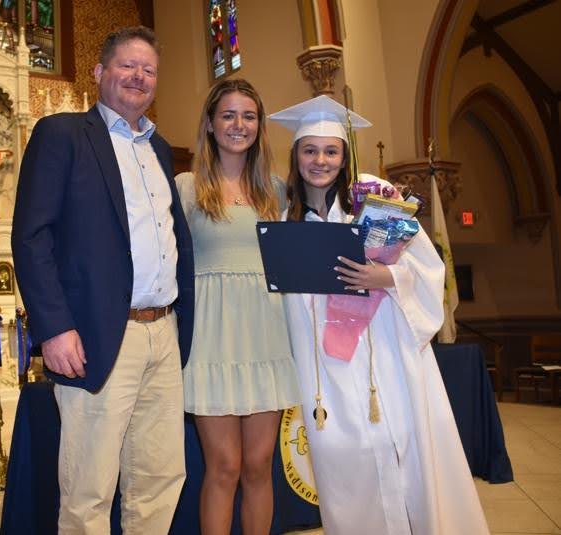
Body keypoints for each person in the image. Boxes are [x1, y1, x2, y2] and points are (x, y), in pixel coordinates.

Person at [268, 95, 488, 534]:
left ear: (344, 156)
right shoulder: (282, 215)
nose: (320, 161)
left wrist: (385, 276)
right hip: (323, 369)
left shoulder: (371, 198)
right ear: (295, 156)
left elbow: (428, 267)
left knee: (404, 447)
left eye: (331, 151)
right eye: (310, 150)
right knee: (343, 464)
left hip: (386, 357)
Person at [11, 26, 194, 533]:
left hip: (164, 332)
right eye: (127, 65)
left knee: (159, 478)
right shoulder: (63, 134)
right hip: (98, 335)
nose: (139, 76)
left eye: (149, 69)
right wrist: (54, 327)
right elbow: (31, 236)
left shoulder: (160, 150)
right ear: (99, 72)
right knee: (89, 489)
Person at [175, 78, 300, 534]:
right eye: (228, 115)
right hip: (212, 338)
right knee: (224, 465)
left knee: (259, 464)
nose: (238, 124)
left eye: (248, 116)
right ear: (210, 123)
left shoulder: (277, 191)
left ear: (259, 126)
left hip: (265, 334)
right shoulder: (187, 188)